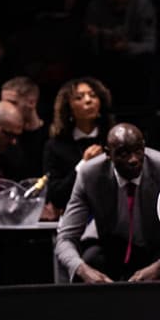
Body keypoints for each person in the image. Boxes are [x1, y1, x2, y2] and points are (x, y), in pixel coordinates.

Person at [54, 123, 160, 283]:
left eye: (138, 151)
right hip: (112, 247)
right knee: (90, 259)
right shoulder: (90, 175)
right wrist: (82, 269)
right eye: (124, 154)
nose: (133, 160)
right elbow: (65, 238)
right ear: (108, 154)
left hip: (156, 247)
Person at [42, 77, 113, 218]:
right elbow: (56, 197)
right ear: (69, 108)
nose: (88, 100)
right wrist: (83, 165)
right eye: (79, 97)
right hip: (74, 216)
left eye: (93, 95)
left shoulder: (112, 140)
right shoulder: (55, 146)